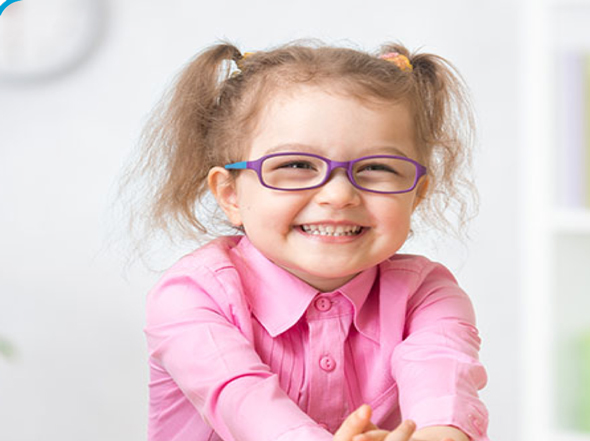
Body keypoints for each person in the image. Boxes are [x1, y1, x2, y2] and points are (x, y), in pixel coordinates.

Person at [132, 39, 490, 441]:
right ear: (230, 194)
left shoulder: (425, 294)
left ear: (416, 193)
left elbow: (443, 379)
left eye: (376, 168)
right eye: (296, 165)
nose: (338, 195)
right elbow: (243, 402)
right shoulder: (192, 297)